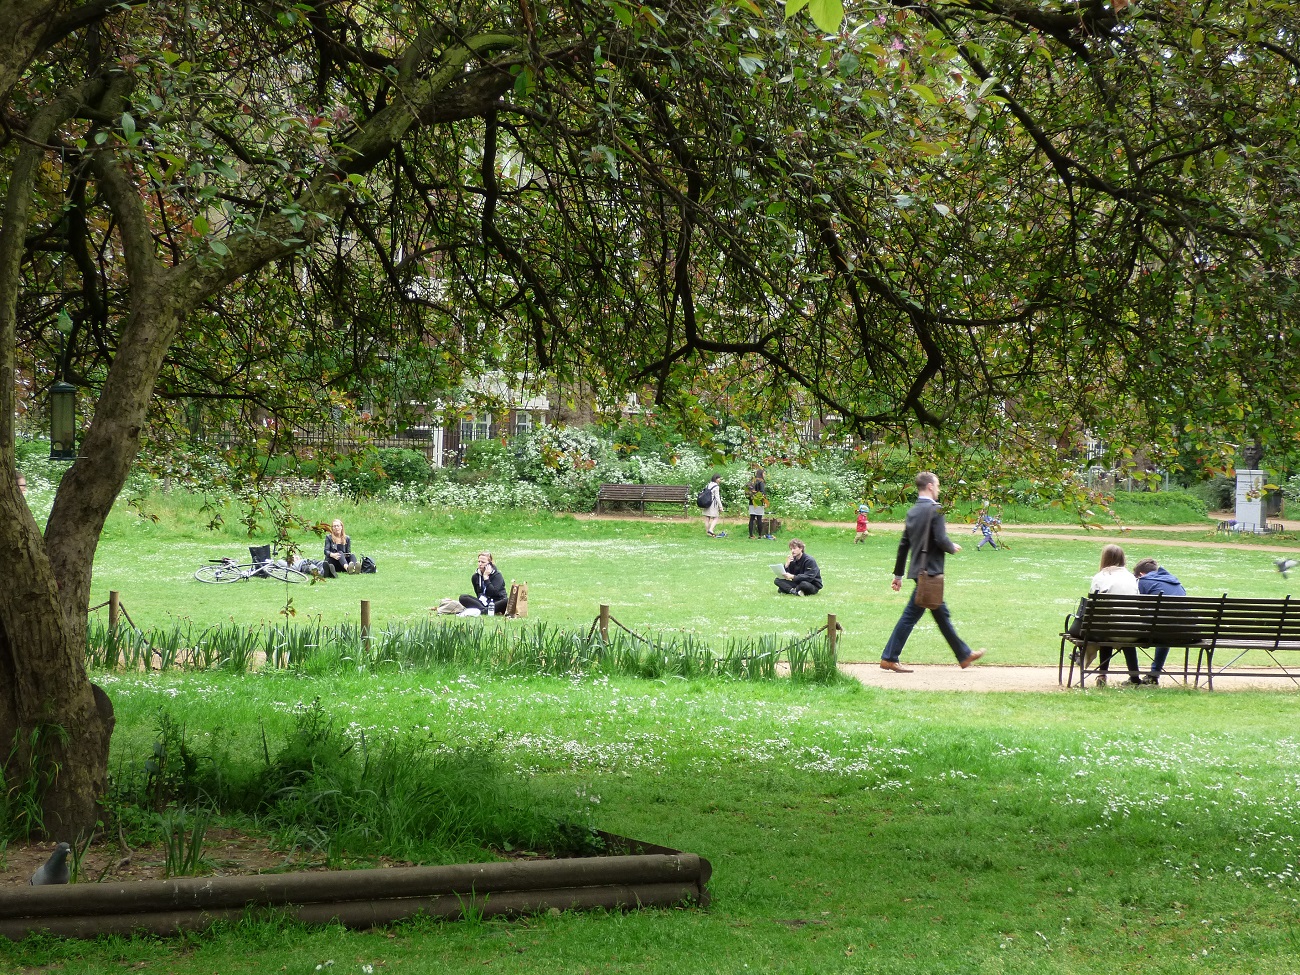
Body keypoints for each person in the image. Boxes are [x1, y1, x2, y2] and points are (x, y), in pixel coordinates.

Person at [880, 471, 984, 673]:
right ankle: (889, 657)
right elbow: (940, 539)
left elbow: (903, 545)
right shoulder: (936, 510)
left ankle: (963, 655)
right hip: (930, 574)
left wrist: (898, 576)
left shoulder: (912, 512)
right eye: (937, 485)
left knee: (939, 613)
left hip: (919, 572)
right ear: (929, 486)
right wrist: (951, 547)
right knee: (914, 615)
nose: (938, 489)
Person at [1089, 544, 1141, 686]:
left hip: (1109, 631)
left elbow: (1095, 606)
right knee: (1123, 627)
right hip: (1133, 630)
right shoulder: (1131, 578)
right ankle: (1135, 677)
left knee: (1107, 629)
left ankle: (1102, 675)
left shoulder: (1100, 577)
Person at [1133, 557, 1187, 685]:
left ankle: (1134, 677)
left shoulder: (1143, 582)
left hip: (1158, 632)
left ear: (1141, 574)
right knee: (1166, 626)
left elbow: (1139, 610)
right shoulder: (1176, 582)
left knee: (1161, 627)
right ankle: (1154, 674)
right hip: (1185, 633)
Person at [747, 468, 768, 540]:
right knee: (759, 519)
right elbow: (762, 493)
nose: (765, 475)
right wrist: (765, 502)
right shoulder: (761, 482)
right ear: (761, 474)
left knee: (751, 519)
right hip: (759, 502)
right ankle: (760, 535)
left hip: (752, 502)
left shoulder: (752, 481)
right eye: (764, 473)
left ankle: (751, 535)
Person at [703, 473, 726, 538]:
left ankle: (707, 532)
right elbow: (717, 497)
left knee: (707, 518)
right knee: (716, 517)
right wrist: (720, 506)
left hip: (707, 503)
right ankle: (711, 530)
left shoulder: (708, 484)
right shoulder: (716, 486)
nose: (720, 480)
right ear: (716, 479)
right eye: (719, 478)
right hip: (713, 504)